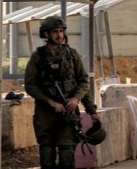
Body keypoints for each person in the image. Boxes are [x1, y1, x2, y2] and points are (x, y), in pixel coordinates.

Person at [24, 16, 90, 169]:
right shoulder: (38, 57)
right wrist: (50, 102)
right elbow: (30, 85)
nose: (59, 35)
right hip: (46, 116)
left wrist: (76, 100)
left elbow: (83, 81)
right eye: (55, 32)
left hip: (68, 115)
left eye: (61, 31)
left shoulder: (72, 55)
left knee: (67, 157)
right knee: (47, 158)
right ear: (46, 34)